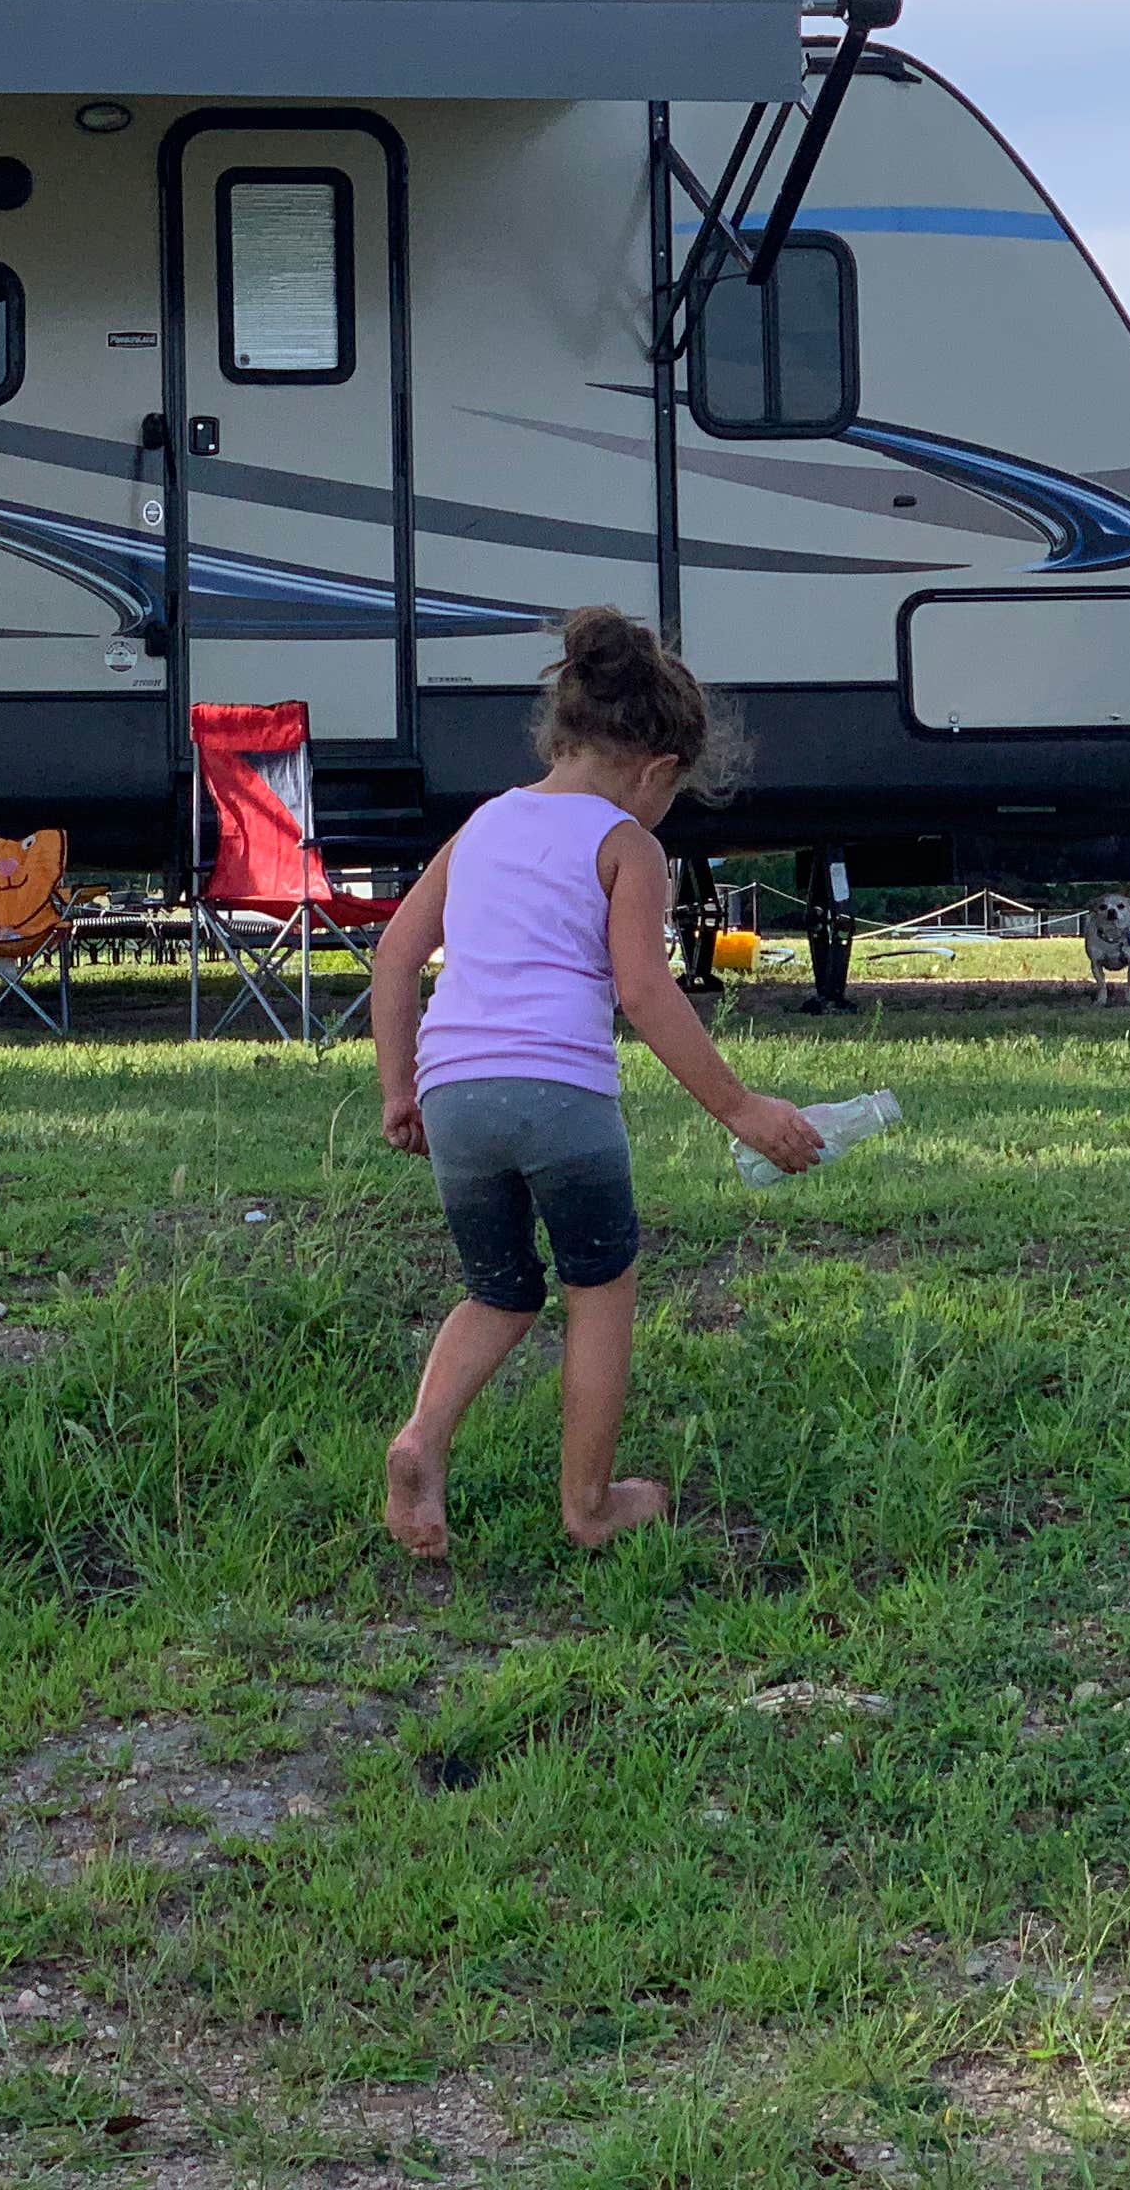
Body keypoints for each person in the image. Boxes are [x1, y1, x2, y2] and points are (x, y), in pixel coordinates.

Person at [369, 607, 824, 1559]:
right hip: (560, 1096)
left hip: (455, 1092)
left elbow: (396, 956)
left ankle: (421, 1440)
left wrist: (399, 1090)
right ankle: (589, 1504)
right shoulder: (627, 844)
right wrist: (740, 1108)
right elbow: (645, 990)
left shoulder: (485, 823)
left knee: (497, 1290)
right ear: (656, 770)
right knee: (599, 1288)